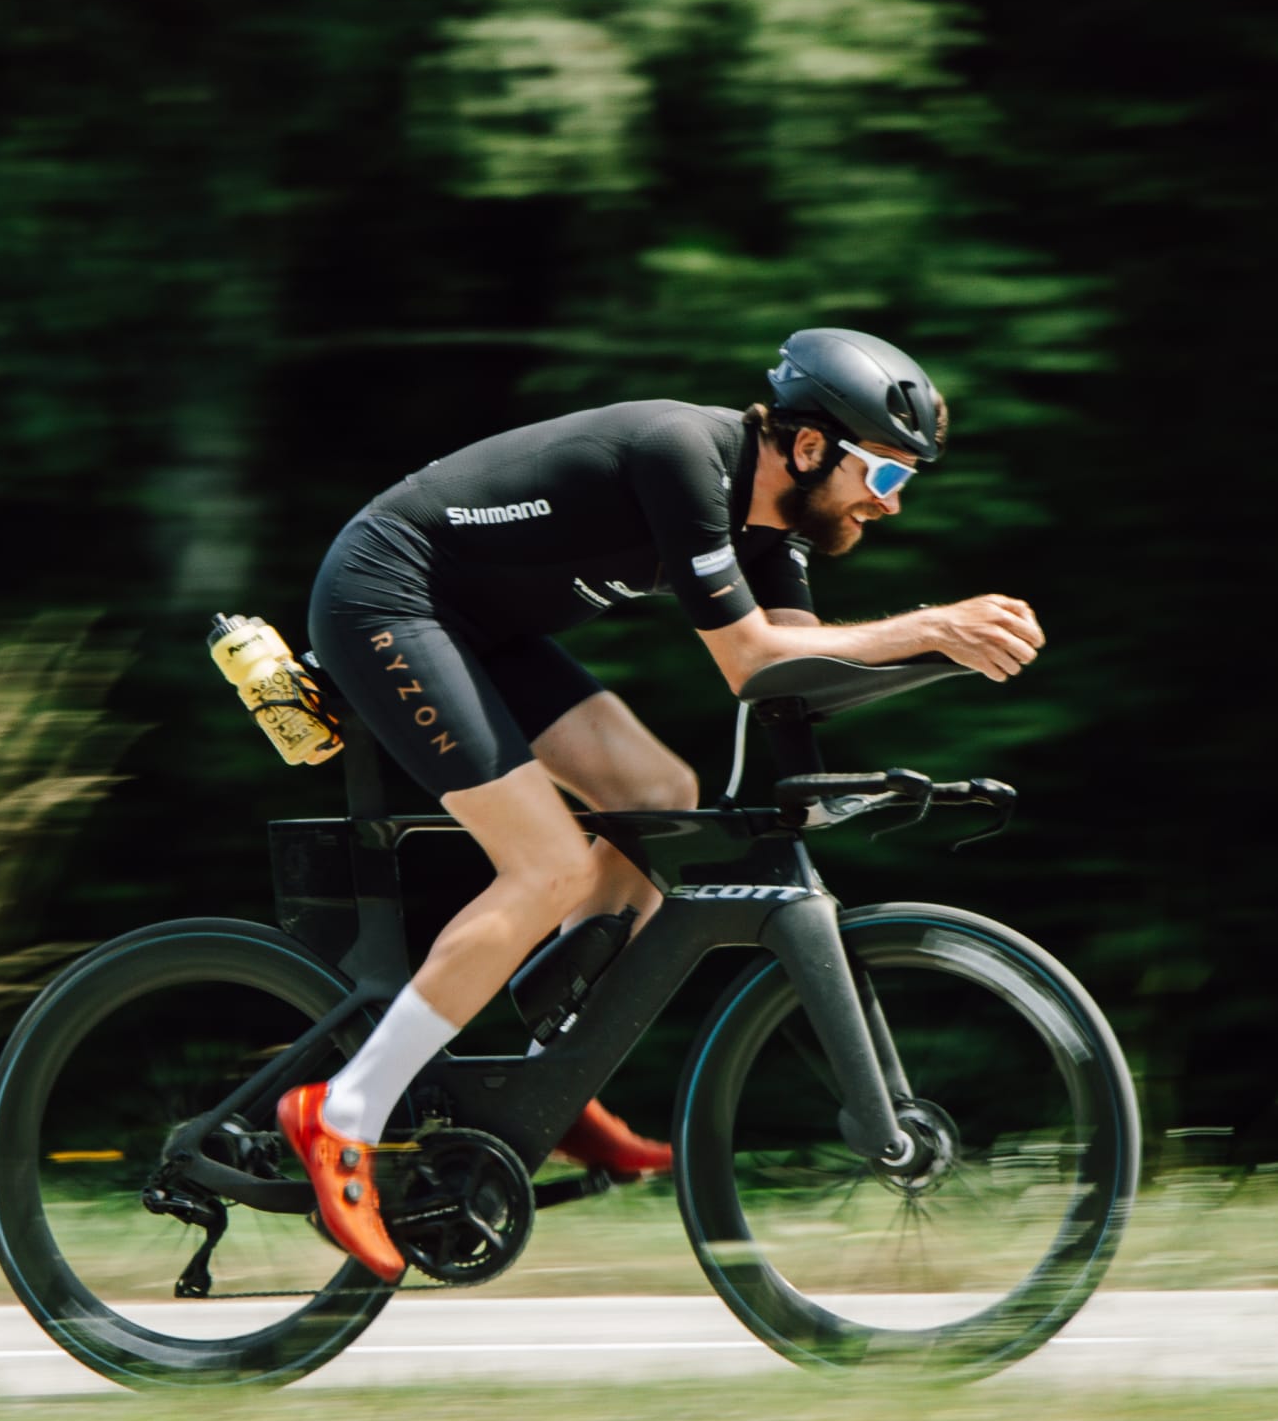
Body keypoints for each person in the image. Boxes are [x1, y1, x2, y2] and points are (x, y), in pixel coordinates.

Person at [283, 328, 1044, 1279]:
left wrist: (937, 664)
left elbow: (793, 681)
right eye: (884, 477)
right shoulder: (685, 456)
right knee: (549, 863)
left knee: (659, 795)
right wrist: (932, 623)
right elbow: (747, 659)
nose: (888, 506)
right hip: (388, 597)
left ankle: (541, 1081)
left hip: (482, 625)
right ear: (810, 448)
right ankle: (342, 1113)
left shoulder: (775, 534)